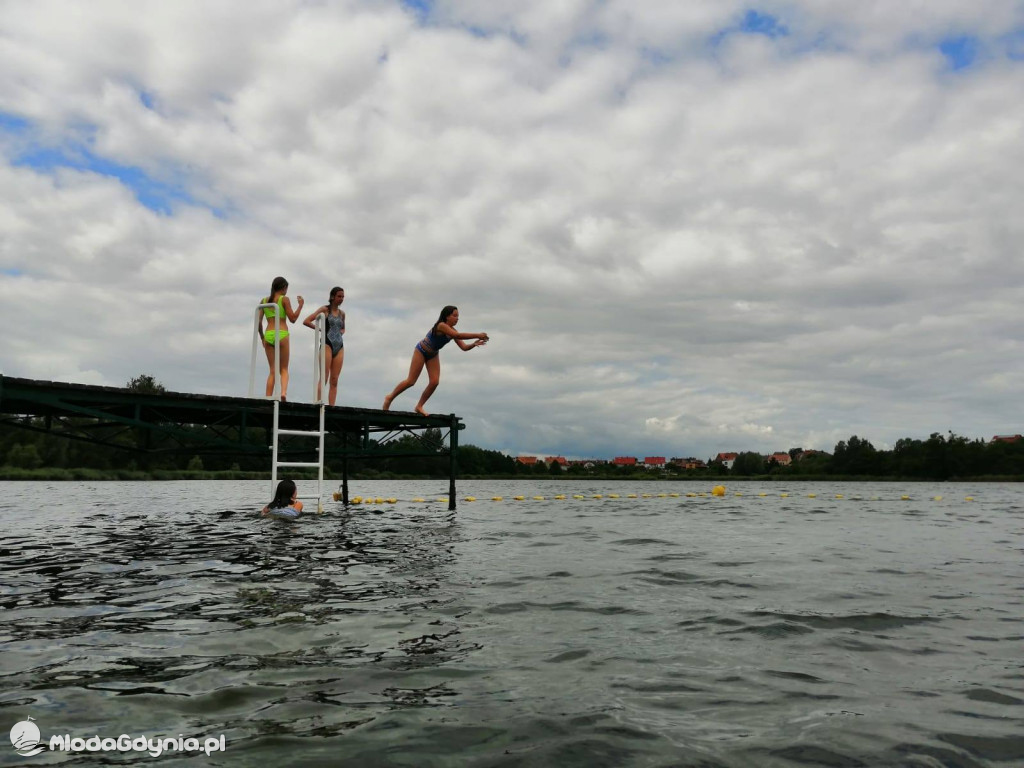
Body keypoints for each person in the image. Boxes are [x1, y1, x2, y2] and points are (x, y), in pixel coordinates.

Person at [382, 305, 488, 416]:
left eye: (458, 316)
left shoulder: (453, 331)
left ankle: (419, 406)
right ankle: (390, 397)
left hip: (433, 354)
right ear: (447, 316)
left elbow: (464, 347)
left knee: (434, 382)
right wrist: (478, 334)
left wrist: (474, 344)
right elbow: (457, 335)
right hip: (421, 350)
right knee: (411, 381)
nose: (457, 318)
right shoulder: (441, 326)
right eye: (455, 315)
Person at [259, 277, 303, 401]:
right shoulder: (284, 299)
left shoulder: (264, 301)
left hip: (268, 334)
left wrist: (262, 336)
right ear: (284, 287)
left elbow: (258, 322)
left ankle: (268, 397)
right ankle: (283, 392)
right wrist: (300, 306)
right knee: (283, 369)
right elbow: (293, 319)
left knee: (272, 370)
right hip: (282, 333)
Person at [303, 286, 346, 406]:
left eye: (343, 296)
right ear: (332, 297)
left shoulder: (342, 314)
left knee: (335, 379)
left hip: (339, 345)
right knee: (324, 377)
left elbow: (343, 328)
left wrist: (342, 332)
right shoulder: (325, 310)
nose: (341, 299)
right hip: (327, 344)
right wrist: (320, 329)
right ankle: (319, 403)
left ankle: (332, 406)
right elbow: (307, 321)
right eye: (339, 296)